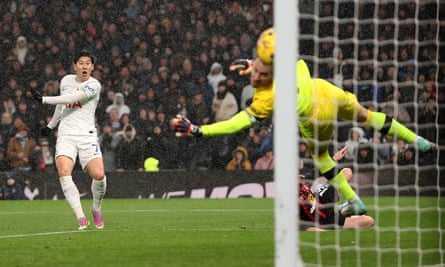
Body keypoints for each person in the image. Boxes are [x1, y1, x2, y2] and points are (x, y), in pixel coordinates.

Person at [172, 28, 436, 217]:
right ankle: (416, 139)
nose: (254, 76)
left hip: (313, 117)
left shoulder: (265, 96)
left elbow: (236, 123)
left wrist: (200, 130)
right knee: (367, 116)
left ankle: (353, 200)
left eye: (258, 71)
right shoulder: (292, 65)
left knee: (320, 156)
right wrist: (255, 61)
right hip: (328, 92)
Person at [29, 50, 107, 230]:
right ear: (75, 66)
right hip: (66, 135)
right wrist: (51, 126)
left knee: (99, 175)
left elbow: (75, 98)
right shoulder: (65, 81)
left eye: (88, 63)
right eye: (81, 63)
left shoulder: (94, 85)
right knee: (64, 172)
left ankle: (96, 208)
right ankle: (81, 217)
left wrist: (43, 99)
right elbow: (63, 104)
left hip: (87, 135)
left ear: (92, 67)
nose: (85, 66)